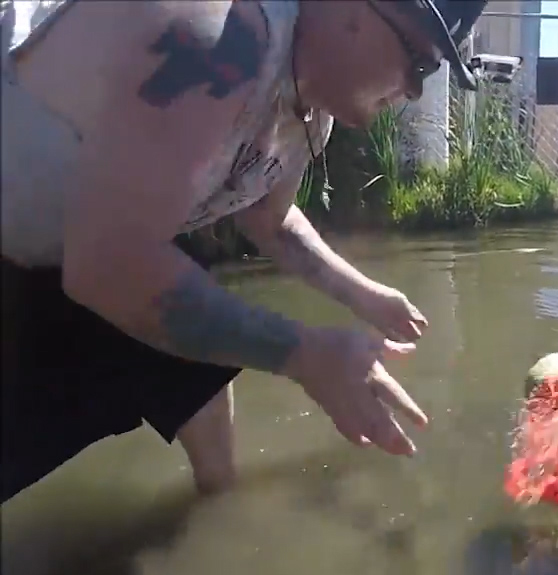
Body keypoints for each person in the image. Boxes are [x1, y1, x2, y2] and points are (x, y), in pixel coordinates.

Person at [0, 0, 490, 503]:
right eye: (419, 61)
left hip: (76, 244)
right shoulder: (219, 36)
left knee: (204, 363)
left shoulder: (310, 108)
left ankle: (219, 512)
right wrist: (308, 355)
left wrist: (365, 295)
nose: (415, 89)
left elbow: (267, 218)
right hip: (44, 253)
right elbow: (107, 263)